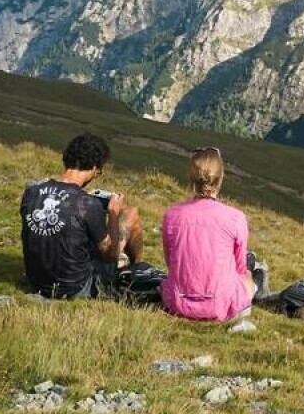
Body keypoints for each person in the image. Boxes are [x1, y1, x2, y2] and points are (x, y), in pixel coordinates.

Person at [20, 133, 144, 299]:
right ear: (94, 167)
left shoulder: (32, 192)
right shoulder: (86, 203)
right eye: (98, 171)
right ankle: (137, 269)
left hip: (37, 282)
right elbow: (109, 254)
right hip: (76, 288)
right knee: (131, 214)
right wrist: (113, 213)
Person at [160, 146, 267, 322]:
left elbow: (170, 262)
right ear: (220, 178)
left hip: (177, 303)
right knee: (248, 275)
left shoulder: (171, 216)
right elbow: (239, 268)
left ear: (192, 178)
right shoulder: (236, 217)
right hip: (222, 306)